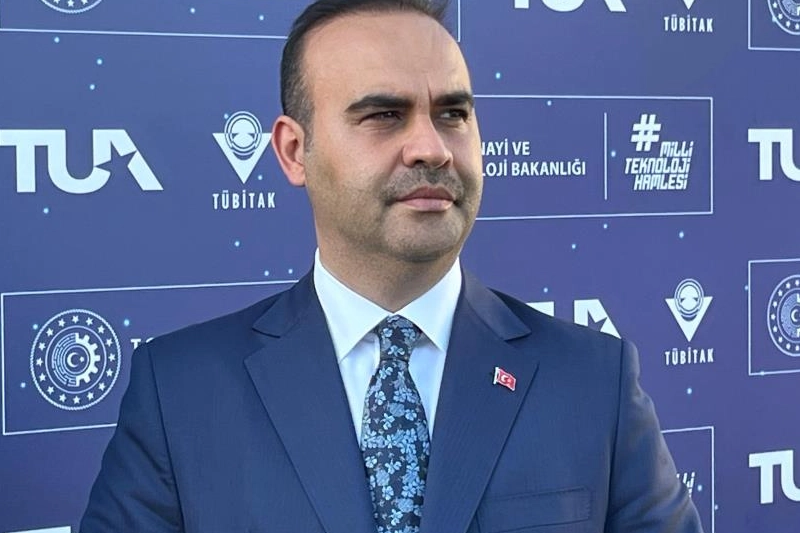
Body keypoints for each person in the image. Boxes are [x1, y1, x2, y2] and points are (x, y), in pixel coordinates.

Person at [81, 1, 704, 532]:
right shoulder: (179, 393)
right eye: (383, 115)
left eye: (453, 114)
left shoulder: (594, 382)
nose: (432, 147)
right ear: (294, 151)